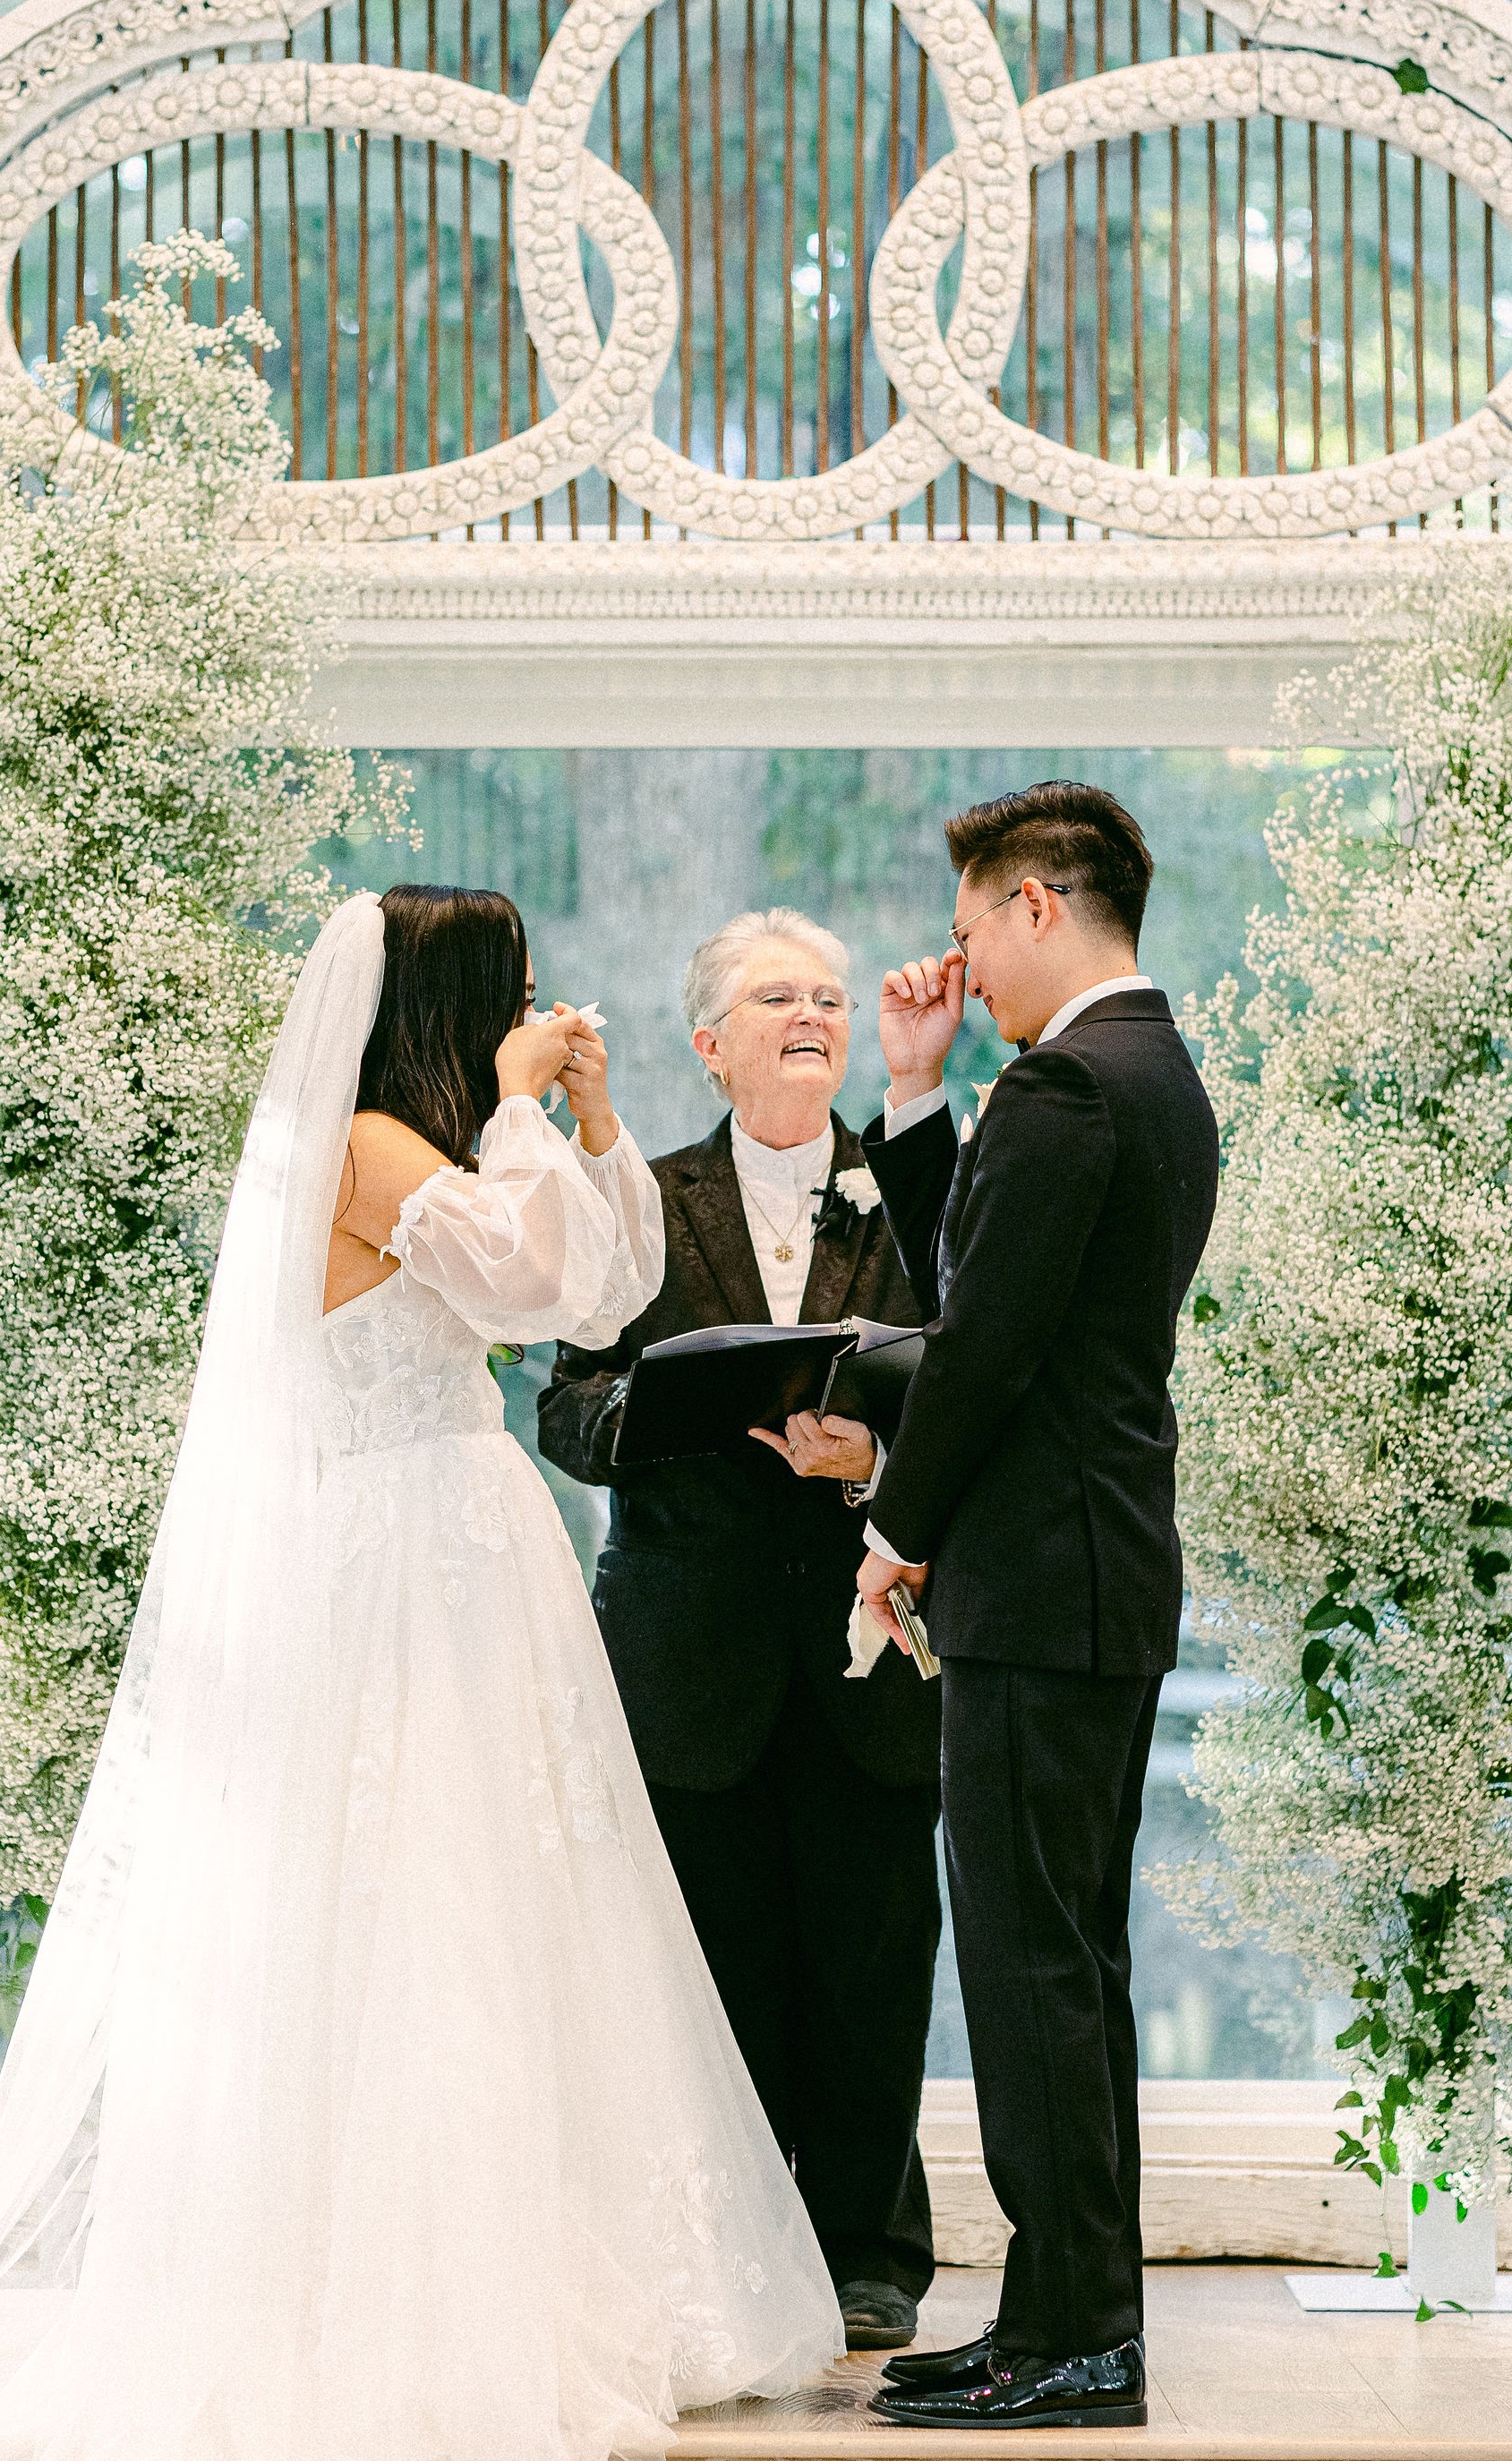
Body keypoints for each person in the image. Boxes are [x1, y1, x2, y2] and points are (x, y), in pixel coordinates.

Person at [0, 885, 843, 2461]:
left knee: (527, 1894)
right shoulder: (368, 1148)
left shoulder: (445, 1148)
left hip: (474, 1548)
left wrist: (595, 1114)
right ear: (447, 1007)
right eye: (513, 989)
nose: (541, 1003)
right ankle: (414, 2287)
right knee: (419, 1900)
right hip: (400, 1552)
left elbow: (607, 1292)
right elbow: (513, 1283)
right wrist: (512, 1107)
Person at [850, 785, 1219, 2431]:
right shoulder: (1144, 1066)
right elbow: (992, 1286)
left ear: (1035, 906)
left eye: (967, 925)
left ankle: (1071, 2342)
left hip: (1039, 1589)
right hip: (1090, 1581)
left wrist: (893, 1528)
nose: (955, 962)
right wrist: (922, 1098)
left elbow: (984, 1349)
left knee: (1028, 1974)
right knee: (1063, 1969)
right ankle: (1062, 2324)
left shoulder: (1072, 1079)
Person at [538, 908, 943, 2355]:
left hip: (870, 1639)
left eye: (829, 997)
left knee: (872, 1957)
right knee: (710, 1973)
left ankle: (870, 2256)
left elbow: (972, 1391)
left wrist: (875, 1459)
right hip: (686, 1649)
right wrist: (662, 1413)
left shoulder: (918, 1194)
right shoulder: (636, 1199)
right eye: (777, 996)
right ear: (707, 1042)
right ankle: (717, 2252)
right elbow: (565, 1406)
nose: (812, 1015)